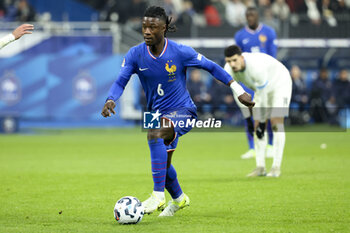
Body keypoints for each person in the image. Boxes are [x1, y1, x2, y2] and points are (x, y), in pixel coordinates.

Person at [101, 6, 254, 217]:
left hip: (183, 110)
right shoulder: (135, 54)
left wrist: (238, 90)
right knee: (163, 164)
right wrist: (111, 98)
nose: (146, 31)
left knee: (155, 134)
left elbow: (212, 67)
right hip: (156, 114)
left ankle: (157, 196)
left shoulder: (180, 52)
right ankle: (180, 199)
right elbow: (121, 80)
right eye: (144, 26)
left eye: (152, 27)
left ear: (163, 28)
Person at [224, 45, 292, 177]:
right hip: (262, 91)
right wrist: (248, 118)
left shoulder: (256, 67)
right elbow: (238, 94)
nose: (232, 64)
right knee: (256, 126)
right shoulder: (228, 70)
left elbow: (263, 95)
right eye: (228, 61)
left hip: (280, 84)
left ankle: (276, 167)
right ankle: (260, 167)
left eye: (234, 60)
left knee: (275, 122)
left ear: (242, 57)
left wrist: (261, 121)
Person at [234, 6, 277, 160]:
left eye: (253, 15)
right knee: (249, 113)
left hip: (265, 79)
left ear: (257, 16)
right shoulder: (240, 35)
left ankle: (271, 145)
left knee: (268, 112)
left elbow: (273, 56)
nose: (250, 18)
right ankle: (252, 147)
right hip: (248, 80)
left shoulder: (269, 32)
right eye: (248, 15)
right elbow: (237, 59)